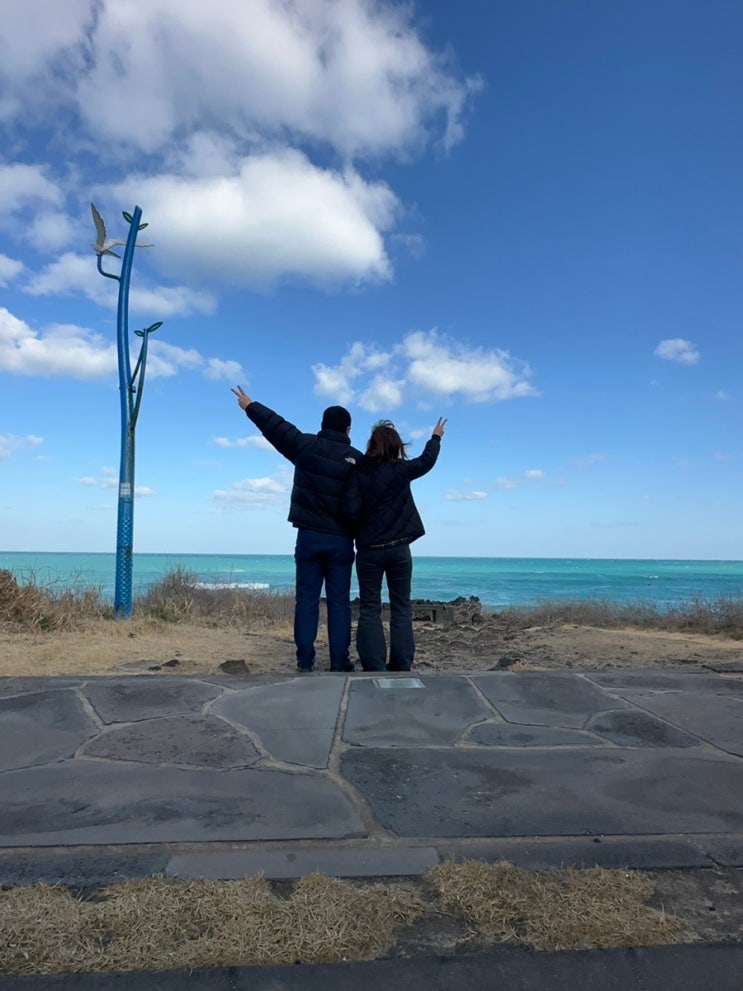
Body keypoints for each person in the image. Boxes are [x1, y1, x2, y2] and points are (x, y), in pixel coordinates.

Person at [231, 385, 363, 673]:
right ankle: (339, 661)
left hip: (308, 536)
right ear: (348, 429)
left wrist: (250, 406)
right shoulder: (357, 459)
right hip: (341, 540)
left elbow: (277, 427)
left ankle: (305, 661)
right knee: (339, 603)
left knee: (306, 600)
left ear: (322, 425)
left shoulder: (305, 446)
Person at [343, 417, 446, 671]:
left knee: (370, 608)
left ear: (372, 444)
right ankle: (401, 664)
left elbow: (350, 511)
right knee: (401, 607)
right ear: (396, 445)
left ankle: (373, 664)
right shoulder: (402, 469)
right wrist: (435, 437)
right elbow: (426, 461)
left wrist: (360, 528)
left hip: (369, 551)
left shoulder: (359, 473)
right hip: (400, 549)